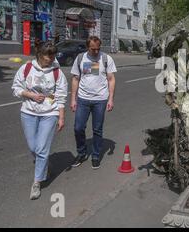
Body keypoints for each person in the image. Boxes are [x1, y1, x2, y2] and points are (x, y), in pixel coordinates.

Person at [12, 41, 68, 200]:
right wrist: (31, 95)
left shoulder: (57, 72)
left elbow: (61, 96)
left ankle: (36, 182)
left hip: (49, 113)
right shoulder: (26, 68)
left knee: (42, 148)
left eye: (52, 56)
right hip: (28, 112)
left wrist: (61, 116)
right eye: (46, 56)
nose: (50, 59)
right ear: (39, 55)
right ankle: (44, 165)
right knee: (33, 147)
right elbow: (16, 88)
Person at [70, 36, 117, 169]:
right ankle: (82, 153)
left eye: (98, 49)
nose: (96, 52)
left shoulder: (106, 59)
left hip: (100, 100)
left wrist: (111, 98)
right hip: (83, 99)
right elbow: (75, 79)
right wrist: (73, 99)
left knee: (97, 129)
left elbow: (111, 79)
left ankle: (95, 155)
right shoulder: (80, 58)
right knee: (78, 128)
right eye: (93, 49)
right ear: (87, 47)